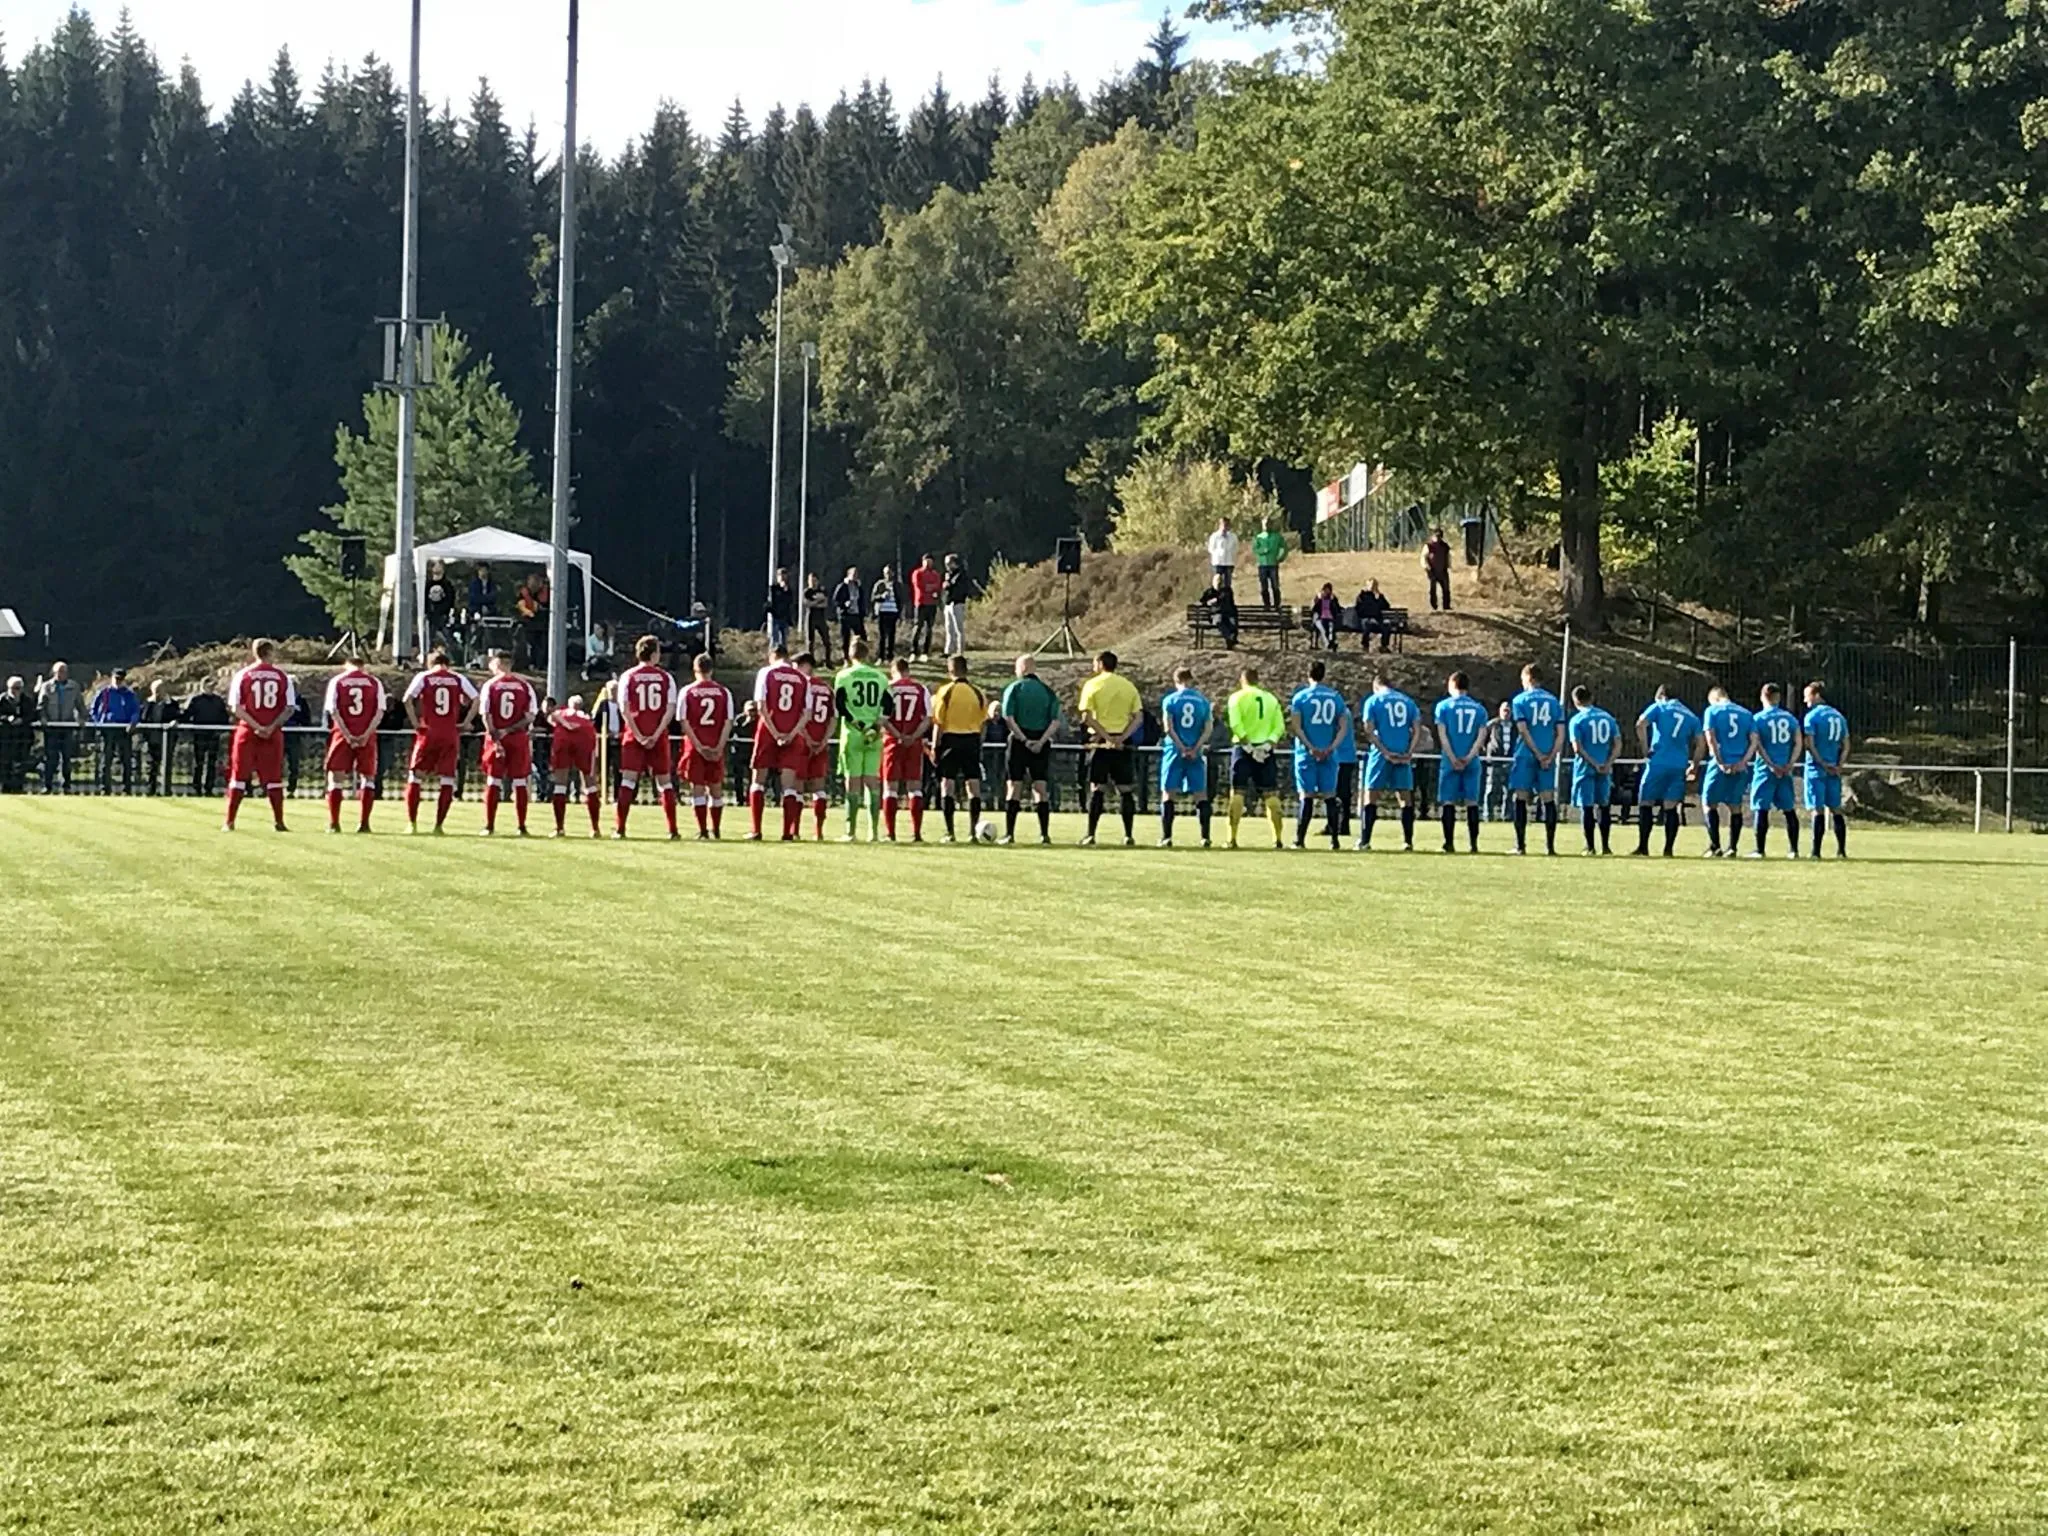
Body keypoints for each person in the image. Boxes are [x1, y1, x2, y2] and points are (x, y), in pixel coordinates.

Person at [223, 639, 297, 832]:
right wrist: (270, 727)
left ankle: (229, 822)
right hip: (272, 732)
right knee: (273, 778)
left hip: (247, 730)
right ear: (270, 652)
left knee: (239, 776)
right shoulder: (282, 677)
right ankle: (279, 821)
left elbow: (236, 707)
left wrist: (256, 726)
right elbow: (289, 708)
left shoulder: (243, 675)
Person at [402, 648, 479, 834]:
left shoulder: (424, 677)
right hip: (450, 733)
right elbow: (476, 699)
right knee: (447, 779)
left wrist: (415, 723)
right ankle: (438, 826)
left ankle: (412, 823)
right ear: (448, 664)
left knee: (416, 776)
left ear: (430, 663)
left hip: (428, 732)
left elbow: (407, 699)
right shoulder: (458, 678)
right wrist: (465, 722)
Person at [613, 635, 680, 839]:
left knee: (628, 781)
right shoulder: (666, 678)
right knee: (665, 782)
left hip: (634, 735)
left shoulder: (628, 676)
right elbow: (670, 709)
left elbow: (624, 708)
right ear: (654, 654)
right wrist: (656, 733)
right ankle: (672, 830)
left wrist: (638, 734)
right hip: (657, 736)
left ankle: (620, 829)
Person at [1077, 650, 1143, 847]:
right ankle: (1128, 835)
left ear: (1100, 664)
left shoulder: (1092, 685)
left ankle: (1091, 834)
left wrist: (1107, 737)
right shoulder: (1128, 686)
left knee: (1097, 788)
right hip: (1122, 743)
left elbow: (1086, 717)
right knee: (1125, 789)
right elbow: (1138, 718)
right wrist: (1121, 738)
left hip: (1100, 741)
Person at [1286, 659, 1350, 850]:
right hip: (1329, 753)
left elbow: (1297, 726)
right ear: (1324, 675)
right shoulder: (1335, 697)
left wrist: (1310, 747)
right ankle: (1334, 840)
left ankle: (1300, 840)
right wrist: (1331, 747)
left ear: (1308, 675)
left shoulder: (1301, 697)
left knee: (1306, 796)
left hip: (1306, 753)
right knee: (1330, 796)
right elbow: (1343, 727)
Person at [999, 655, 1062, 844]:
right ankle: (1044, 834)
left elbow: (1009, 717)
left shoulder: (1014, 688)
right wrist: (1041, 741)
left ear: (1022, 668)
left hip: (1020, 741)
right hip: (1041, 740)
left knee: (1014, 786)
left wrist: (1024, 740)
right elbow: (1055, 721)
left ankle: (1009, 834)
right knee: (1040, 787)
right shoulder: (1047, 691)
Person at [1633, 684, 1702, 858]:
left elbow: (1640, 724)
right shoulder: (1691, 716)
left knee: (1646, 802)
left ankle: (1643, 847)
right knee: (1671, 807)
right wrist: (1694, 764)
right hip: (1679, 765)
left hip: (1658, 762)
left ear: (1661, 696)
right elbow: (1701, 744)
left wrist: (1645, 749)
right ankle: (1668, 849)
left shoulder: (1660, 707)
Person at [322, 657, 388, 833]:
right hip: (367, 734)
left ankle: (334, 823)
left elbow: (333, 710)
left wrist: (347, 735)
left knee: (336, 778)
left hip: (342, 734)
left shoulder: (338, 681)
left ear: (346, 665)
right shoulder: (374, 682)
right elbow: (380, 711)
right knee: (368, 778)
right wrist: (366, 734)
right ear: (363, 666)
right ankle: (364, 823)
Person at [1225, 666, 1288, 849]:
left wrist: (1249, 747)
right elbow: (1279, 726)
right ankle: (1277, 839)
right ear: (1258, 680)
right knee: (1270, 794)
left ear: (1242, 680)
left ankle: (1232, 839)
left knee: (1238, 792)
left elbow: (1236, 724)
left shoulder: (1236, 698)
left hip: (1243, 749)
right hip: (1265, 751)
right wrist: (1268, 744)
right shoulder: (1271, 699)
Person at [476, 651, 539, 837]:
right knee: (519, 781)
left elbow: (486, 715)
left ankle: (489, 826)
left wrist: (496, 736)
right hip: (517, 738)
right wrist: (510, 729)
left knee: (493, 780)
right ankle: (521, 826)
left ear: (498, 664)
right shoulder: (525, 685)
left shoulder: (491, 685)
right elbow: (530, 716)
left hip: (496, 737)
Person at [832, 640, 889, 842]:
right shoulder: (880, 677)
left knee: (853, 782)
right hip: (874, 734)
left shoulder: (844, 676)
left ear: (850, 654)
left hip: (853, 733)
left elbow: (840, 704)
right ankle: (873, 832)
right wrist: (876, 726)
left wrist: (857, 723)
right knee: (872, 782)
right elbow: (888, 705)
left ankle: (851, 832)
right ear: (867, 654)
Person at [1358, 674, 1421, 851]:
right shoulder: (1408, 701)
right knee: (1405, 798)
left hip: (1381, 754)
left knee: (1371, 796)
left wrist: (1385, 752)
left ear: (1375, 686)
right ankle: (1408, 842)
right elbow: (1417, 729)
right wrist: (1409, 751)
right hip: (1402, 753)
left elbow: (1368, 730)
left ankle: (1365, 841)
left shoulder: (1373, 701)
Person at [929, 655, 988, 842]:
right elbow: (983, 722)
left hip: (951, 739)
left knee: (948, 784)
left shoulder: (945, 691)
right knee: (973, 784)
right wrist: (979, 742)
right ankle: (972, 833)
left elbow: (938, 722)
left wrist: (935, 747)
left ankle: (950, 832)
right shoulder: (978, 692)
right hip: (972, 739)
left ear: (950, 670)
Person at [1508, 663, 1565, 855]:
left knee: (1520, 797)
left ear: (1529, 678)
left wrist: (1537, 754)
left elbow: (1523, 731)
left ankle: (1520, 846)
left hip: (1526, 754)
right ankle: (1550, 847)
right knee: (1548, 798)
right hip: (1548, 755)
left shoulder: (1519, 700)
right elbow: (1561, 734)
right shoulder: (1554, 701)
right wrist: (1550, 755)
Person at [678, 654, 735, 839]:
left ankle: (703, 830)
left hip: (695, 746)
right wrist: (719, 746)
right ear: (712, 670)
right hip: (715, 743)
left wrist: (699, 746)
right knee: (716, 789)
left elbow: (684, 721)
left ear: (695, 669)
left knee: (698, 788)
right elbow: (728, 721)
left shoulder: (687, 691)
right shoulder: (724, 692)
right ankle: (716, 829)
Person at [1157, 668, 1215, 847]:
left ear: (1176, 681)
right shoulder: (1202, 701)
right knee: (1200, 794)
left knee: (1168, 793)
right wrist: (1195, 748)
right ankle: (1205, 837)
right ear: (1191, 679)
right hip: (1195, 752)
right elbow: (1208, 729)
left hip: (1174, 751)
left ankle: (1166, 837)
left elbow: (1168, 728)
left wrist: (1181, 747)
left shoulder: (1170, 700)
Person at [1433, 673, 1489, 853]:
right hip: (1471, 761)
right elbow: (1481, 736)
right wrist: (1469, 756)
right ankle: (1473, 844)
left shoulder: (1443, 707)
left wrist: (1452, 757)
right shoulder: (1479, 709)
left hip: (1450, 760)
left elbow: (1442, 735)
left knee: (1448, 801)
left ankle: (1449, 843)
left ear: (1451, 685)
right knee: (1472, 802)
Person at [1701, 685, 1758, 858]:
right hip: (1740, 765)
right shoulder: (1746, 714)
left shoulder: (1712, 711)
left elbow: (1710, 738)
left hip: (1720, 763)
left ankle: (1715, 846)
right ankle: (1732, 848)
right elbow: (1754, 742)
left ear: (1714, 698)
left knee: (1709, 803)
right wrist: (1743, 762)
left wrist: (1720, 762)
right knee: (1735, 805)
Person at [1748, 683, 1805, 859]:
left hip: (1765, 769)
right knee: (1789, 809)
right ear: (1778, 698)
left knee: (1761, 808)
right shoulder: (1790, 719)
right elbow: (1798, 743)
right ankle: (1794, 850)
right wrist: (1790, 763)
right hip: (1785, 769)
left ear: (1762, 697)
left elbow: (1757, 744)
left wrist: (1771, 764)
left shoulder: (1757, 719)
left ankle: (1759, 850)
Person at [880, 659, 933, 842]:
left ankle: (890, 833)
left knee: (890, 788)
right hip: (914, 743)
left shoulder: (888, 689)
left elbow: (883, 719)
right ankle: (916, 833)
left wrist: (899, 735)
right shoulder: (921, 689)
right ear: (908, 670)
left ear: (893, 671)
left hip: (892, 741)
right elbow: (927, 718)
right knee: (915, 788)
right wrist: (913, 736)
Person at [1566, 685, 1620, 855]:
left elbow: (1577, 748)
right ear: (1592, 698)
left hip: (1585, 769)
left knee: (1587, 807)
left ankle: (1590, 847)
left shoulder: (1577, 720)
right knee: (1604, 806)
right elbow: (1618, 744)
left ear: (1575, 701)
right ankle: (1606, 847)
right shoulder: (1608, 718)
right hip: (1605, 768)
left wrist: (1594, 763)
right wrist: (1608, 763)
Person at [1802, 681, 1852, 859]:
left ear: (1816, 695)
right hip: (1834, 769)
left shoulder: (1812, 717)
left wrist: (1822, 763)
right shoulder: (1839, 716)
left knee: (1818, 810)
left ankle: (1816, 852)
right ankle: (1841, 851)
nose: (1805, 700)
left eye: (1807, 695)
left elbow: (1810, 744)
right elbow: (1846, 745)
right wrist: (1839, 765)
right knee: (1836, 808)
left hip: (1816, 769)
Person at [547, 696, 602, 838]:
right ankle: (595, 829)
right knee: (590, 782)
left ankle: (559, 828)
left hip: (564, 737)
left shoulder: (562, 712)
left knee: (560, 783)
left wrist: (566, 724)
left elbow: (552, 716)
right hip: (585, 736)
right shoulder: (586, 717)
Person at [795, 653, 837, 840]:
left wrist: (806, 737)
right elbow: (833, 718)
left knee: (797, 788)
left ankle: (794, 830)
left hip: (802, 742)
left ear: (805, 666)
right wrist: (824, 740)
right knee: (819, 789)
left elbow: (798, 714)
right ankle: (818, 832)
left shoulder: (801, 686)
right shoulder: (827, 689)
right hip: (821, 742)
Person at [90, 667, 141, 794]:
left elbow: (135, 710)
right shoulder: (104, 692)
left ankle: (126, 789)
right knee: (106, 760)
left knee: (126, 760)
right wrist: (99, 723)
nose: (118, 681)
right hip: (107, 729)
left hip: (124, 729)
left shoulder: (129, 695)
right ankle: (104, 788)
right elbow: (93, 710)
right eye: (116, 679)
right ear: (112, 678)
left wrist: (133, 722)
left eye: (121, 679)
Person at [35, 662, 80, 794]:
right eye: (58, 672)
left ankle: (66, 786)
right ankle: (47, 786)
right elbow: (41, 705)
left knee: (66, 758)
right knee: (50, 758)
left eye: (63, 671)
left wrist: (81, 718)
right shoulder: (46, 686)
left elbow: (80, 704)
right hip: (51, 727)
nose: (61, 674)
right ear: (53, 672)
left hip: (67, 726)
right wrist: (43, 717)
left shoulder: (74, 687)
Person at [181, 682, 230, 797]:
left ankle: (209, 787)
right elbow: (187, 715)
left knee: (212, 763)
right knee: (198, 762)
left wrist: (221, 730)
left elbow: (224, 717)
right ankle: (196, 787)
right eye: (208, 686)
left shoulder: (218, 701)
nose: (211, 688)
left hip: (214, 735)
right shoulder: (196, 700)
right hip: (200, 734)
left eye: (212, 686)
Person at [139, 680, 179, 795]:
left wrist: (174, 721)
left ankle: (166, 790)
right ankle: (150, 790)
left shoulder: (172, 704)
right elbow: (143, 718)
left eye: (159, 690)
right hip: (150, 739)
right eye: (155, 690)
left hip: (167, 740)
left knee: (166, 765)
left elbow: (178, 716)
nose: (157, 693)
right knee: (151, 766)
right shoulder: (147, 703)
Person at [0, 676, 34, 793]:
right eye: (13, 688)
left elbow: (32, 715)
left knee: (20, 764)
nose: (15, 691)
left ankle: (18, 787)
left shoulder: (27, 701)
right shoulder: (2, 700)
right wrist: (7, 718)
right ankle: (5, 788)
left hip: (22, 737)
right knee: (5, 763)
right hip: (5, 738)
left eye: (18, 688)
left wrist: (22, 720)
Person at [909, 555, 943, 661]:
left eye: (930, 561)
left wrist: (931, 587)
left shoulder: (935, 574)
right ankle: (914, 651)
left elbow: (938, 586)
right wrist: (931, 587)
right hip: (921, 603)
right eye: (926, 561)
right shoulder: (917, 573)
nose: (928, 564)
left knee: (929, 628)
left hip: (932, 603)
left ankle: (925, 652)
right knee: (918, 626)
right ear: (922, 562)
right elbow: (920, 586)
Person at [832, 567, 870, 659]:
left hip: (857, 615)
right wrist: (844, 604)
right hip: (846, 615)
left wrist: (863, 612)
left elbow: (861, 600)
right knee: (846, 638)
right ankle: (846, 658)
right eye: (853, 574)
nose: (855, 576)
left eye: (856, 574)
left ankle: (861, 656)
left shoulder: (858, 587)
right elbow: (835, 600)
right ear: (848, 575)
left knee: (862, 637)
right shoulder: (842, 586)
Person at [799, 572, 834, 666]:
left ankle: (828, 661)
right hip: (810, 617)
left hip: (821, 617)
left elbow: (825, 604)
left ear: (817, 581)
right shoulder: (807, 592)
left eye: (814, 580)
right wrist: (818, 601)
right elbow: (807, 604)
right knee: (810, 641)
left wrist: (815, 602)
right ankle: (810, 662)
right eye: (811, 581)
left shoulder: (822, 590)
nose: (813, 583)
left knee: (826, 640)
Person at [1252, 517, 1287, 607]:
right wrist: (1262, 551)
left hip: (1273, 564)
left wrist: (1281, 558)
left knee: (1275, 586)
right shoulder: (1259, 537)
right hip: (1262, 565)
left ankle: (1277, 604)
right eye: (1264, 524)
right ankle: (1266, 604)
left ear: (1271, 525)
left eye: (1268, 524)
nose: (1266, 526)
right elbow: (1255, 549)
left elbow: (1284, 548)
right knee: (1264, 586)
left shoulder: (1277, 537)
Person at [423, 560, 458, 652]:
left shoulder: (447, 584)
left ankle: (451, 653)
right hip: (430, 616)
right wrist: (426, 611)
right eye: (435, 566)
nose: (436, 568)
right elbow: (424, 599)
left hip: (443, 616)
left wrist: (445, 611)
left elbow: (450, 600)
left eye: (439, 566)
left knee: (447, 637)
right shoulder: (427, 584)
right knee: (429, 638)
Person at [941, 554, 972, 657]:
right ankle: (949, 650)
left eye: (949, 563)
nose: (947, 566)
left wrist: (948, 584)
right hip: (948, 603)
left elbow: (955, 587)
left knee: (959, 629)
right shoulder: (948, 574)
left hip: (957, 603)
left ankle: (960, 651)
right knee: (949, 628)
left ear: (954, 563)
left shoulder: (961, 574)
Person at [1353, 580, 1394, 653]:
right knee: (1367, 624)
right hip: (1365, 619)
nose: (1372, 587)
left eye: (1374, 585)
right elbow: (1359, 609)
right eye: (1370, 585)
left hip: (1377, 620)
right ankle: (1365, 644)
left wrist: (1379, 599)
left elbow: (1386, 606)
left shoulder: (1379, 596)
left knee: (1386, 625)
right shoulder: (1362, 596)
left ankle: (1384, 646)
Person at [872, 565, 902, 662]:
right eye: (885, 573)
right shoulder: (879, 584)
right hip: (882, 612)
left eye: (889, 573)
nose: (887, 575)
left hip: (893, 612)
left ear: (893, 573)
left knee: (891, 635)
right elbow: (873, 597)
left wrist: (900, 613)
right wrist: (882, 596)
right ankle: (881, 657)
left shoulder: (897, 585)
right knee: (882, 636)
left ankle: (890, 657)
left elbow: (901, 599)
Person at [1198, 580, 1239, 649]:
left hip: (1227, 614)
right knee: (1220, 621)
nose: (1219, 585)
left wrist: (1215, 600)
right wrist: (1208, 602)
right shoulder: (1210, 592)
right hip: (1216, 615)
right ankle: (1229, 638)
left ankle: (1230, 639)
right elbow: (1202, 601)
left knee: (1232, 623)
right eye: (1218, 583)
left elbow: (1225, 601)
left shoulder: (1227, 591)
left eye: (1220, 583)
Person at [1422, 527, 1454, 612]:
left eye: (1440, 536)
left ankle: (1446, 605)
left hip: (1443, 570)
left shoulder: (1445, 546)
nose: (1438, 537)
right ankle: (1434, 605)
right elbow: (1424, 557)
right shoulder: (1429, 545)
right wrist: (1427, 567)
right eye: (1437, 535)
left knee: (1446, 588)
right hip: (1432, 570)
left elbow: (1448, 557)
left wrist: (1448, 566)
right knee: (1433, 588)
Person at [765, 568, 795, 653]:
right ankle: (773, 655)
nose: (782, 578)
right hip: (776, 617)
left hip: (785, 617)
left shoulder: (788, 590)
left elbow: (790, 602)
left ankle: (783, 655)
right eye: (780, 576)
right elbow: (774, 601)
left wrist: (785, 590)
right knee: (775, 639)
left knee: (784, 640)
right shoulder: (774, 589)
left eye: (784, 576)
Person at [1207, 516, 1239, 593]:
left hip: (1229, 562)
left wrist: (1231, 554)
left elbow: (1236, 548)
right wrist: (1219, 553)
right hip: (1218, 563)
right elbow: (1211, 549)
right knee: (1217, 582)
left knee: (1227, 583)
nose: (1225, 527)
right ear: (1220, 525)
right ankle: (1217, 597)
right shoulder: (1215, 536)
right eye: (1224, 525)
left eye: (1227, 525)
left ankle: (1226, 598)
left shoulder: (1233, 536)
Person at [1307, 584, 1341, 651]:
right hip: (1320, 619)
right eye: (1325, 590)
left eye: (1328, 590)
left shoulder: (1333, 599)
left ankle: (1331, 642)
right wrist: (1319, 600)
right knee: (1323, 629)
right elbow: (1314, 609)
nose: (1326, 592)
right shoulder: (1319, 599)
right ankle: (1328, 643)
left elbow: (1337, 609)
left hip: (1330, 618)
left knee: (1331, 627)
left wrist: (1333, 601)